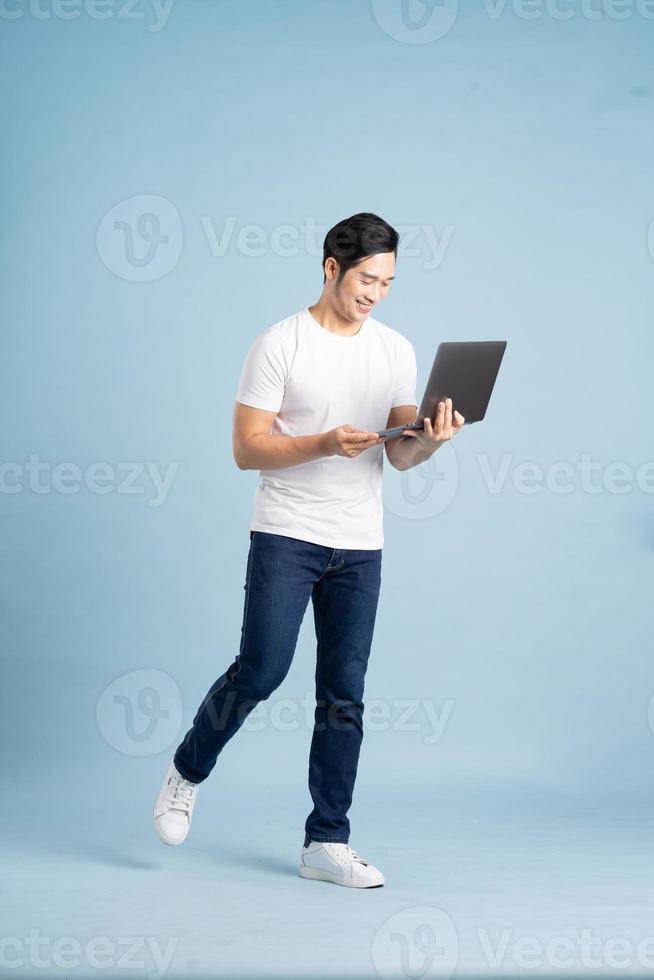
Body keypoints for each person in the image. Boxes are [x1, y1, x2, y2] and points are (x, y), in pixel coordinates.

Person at [152, 212, 465, 888]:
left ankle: (327, 839)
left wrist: (432, 439)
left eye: (387, 282)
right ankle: (188, 768)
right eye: (365, 279)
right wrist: (323, 442)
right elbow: (246, 449)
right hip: (288, 535)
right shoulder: (279, 344)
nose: (375, 293)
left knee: (344, 693)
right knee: (260, 672)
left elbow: (400, 453)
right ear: (330, 268)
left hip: (361, 544)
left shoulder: (395, 350)